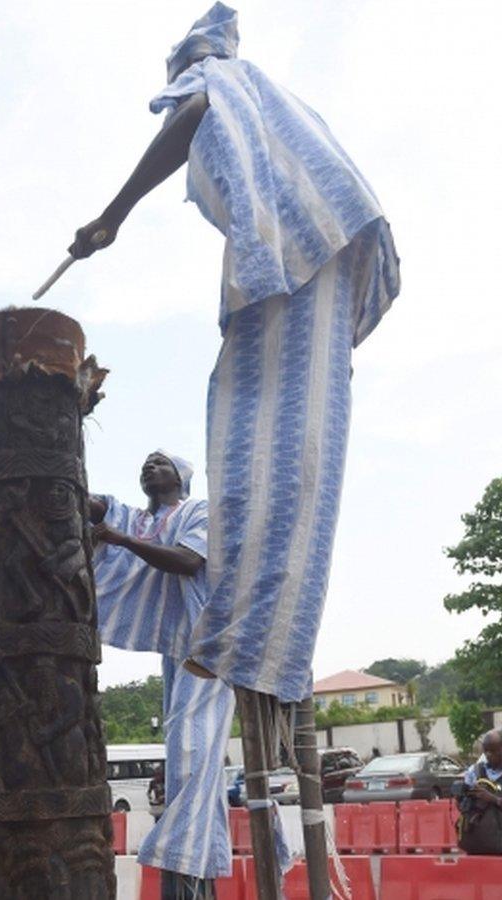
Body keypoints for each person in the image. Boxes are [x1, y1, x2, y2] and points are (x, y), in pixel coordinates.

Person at [70, 2, 400, 704]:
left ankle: (246, 643)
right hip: (331, 243)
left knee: (256, 444)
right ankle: (262, 644)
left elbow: (189, 120)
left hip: (297, 244)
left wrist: (113, 215)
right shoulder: (276, 101)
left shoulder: (217, 79)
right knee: (302, 455)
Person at [91, 451, 234, 897]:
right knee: (186, 751)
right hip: (177, 647)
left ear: (180, 477)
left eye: (160, 463)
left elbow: (188, 561)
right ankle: (198, 858)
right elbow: (101, 506)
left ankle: (184, 857)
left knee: (193, 743)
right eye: (144, 464)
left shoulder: (196, 512)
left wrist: (118, 539)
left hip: (208, 642)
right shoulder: (143, 520)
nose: (149, 468)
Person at [457, 730, 502, 855]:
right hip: (476, 843)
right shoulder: (474, 771)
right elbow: (461, 805)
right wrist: (465, 798)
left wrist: (492, 798)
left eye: (493, 751)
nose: (488, 755)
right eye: (486, 751)